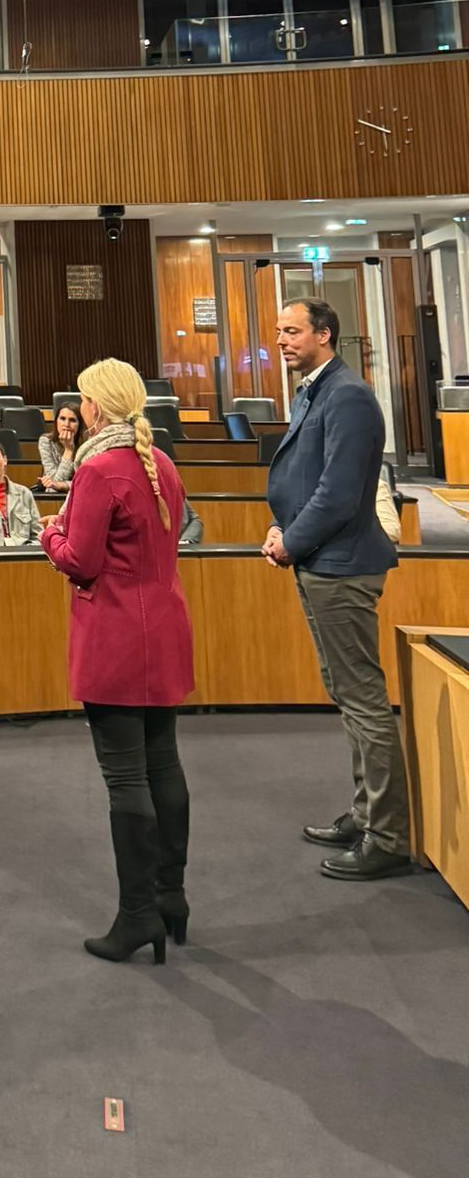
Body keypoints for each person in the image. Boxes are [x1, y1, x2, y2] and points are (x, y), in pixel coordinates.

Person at [40, 358, 193, 966]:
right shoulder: (163, 464)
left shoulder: (100, 469)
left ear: (97, 408)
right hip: (164, 626)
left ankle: (136, 917)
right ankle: (170, 896)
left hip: (115, 634)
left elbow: (80, 560)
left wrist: (49, 535)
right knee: (164, 765)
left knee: (125, 778)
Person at [264, 298, 410, 882]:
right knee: (347, 695)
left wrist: (290, 542)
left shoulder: (347, 394)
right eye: (278, 331)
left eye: (292, 330)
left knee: (365, 700)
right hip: (321, 560)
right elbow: (308, 479)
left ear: (325, 335)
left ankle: (389, 835)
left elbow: (340, 492)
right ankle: (365, 811)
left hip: (342, 564)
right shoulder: (316, 389)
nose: (281, 340)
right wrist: (283, 526)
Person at [38, 404, 81, 491]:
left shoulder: (86, 443)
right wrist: (68, 451)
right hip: (54, 495)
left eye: (72, 420)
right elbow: (54, 483)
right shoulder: (46, 441)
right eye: (62, 419)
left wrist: (65, 485)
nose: (66, 424)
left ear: (80, 424)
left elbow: (85, 482)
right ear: (56, 421)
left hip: (79, 493)